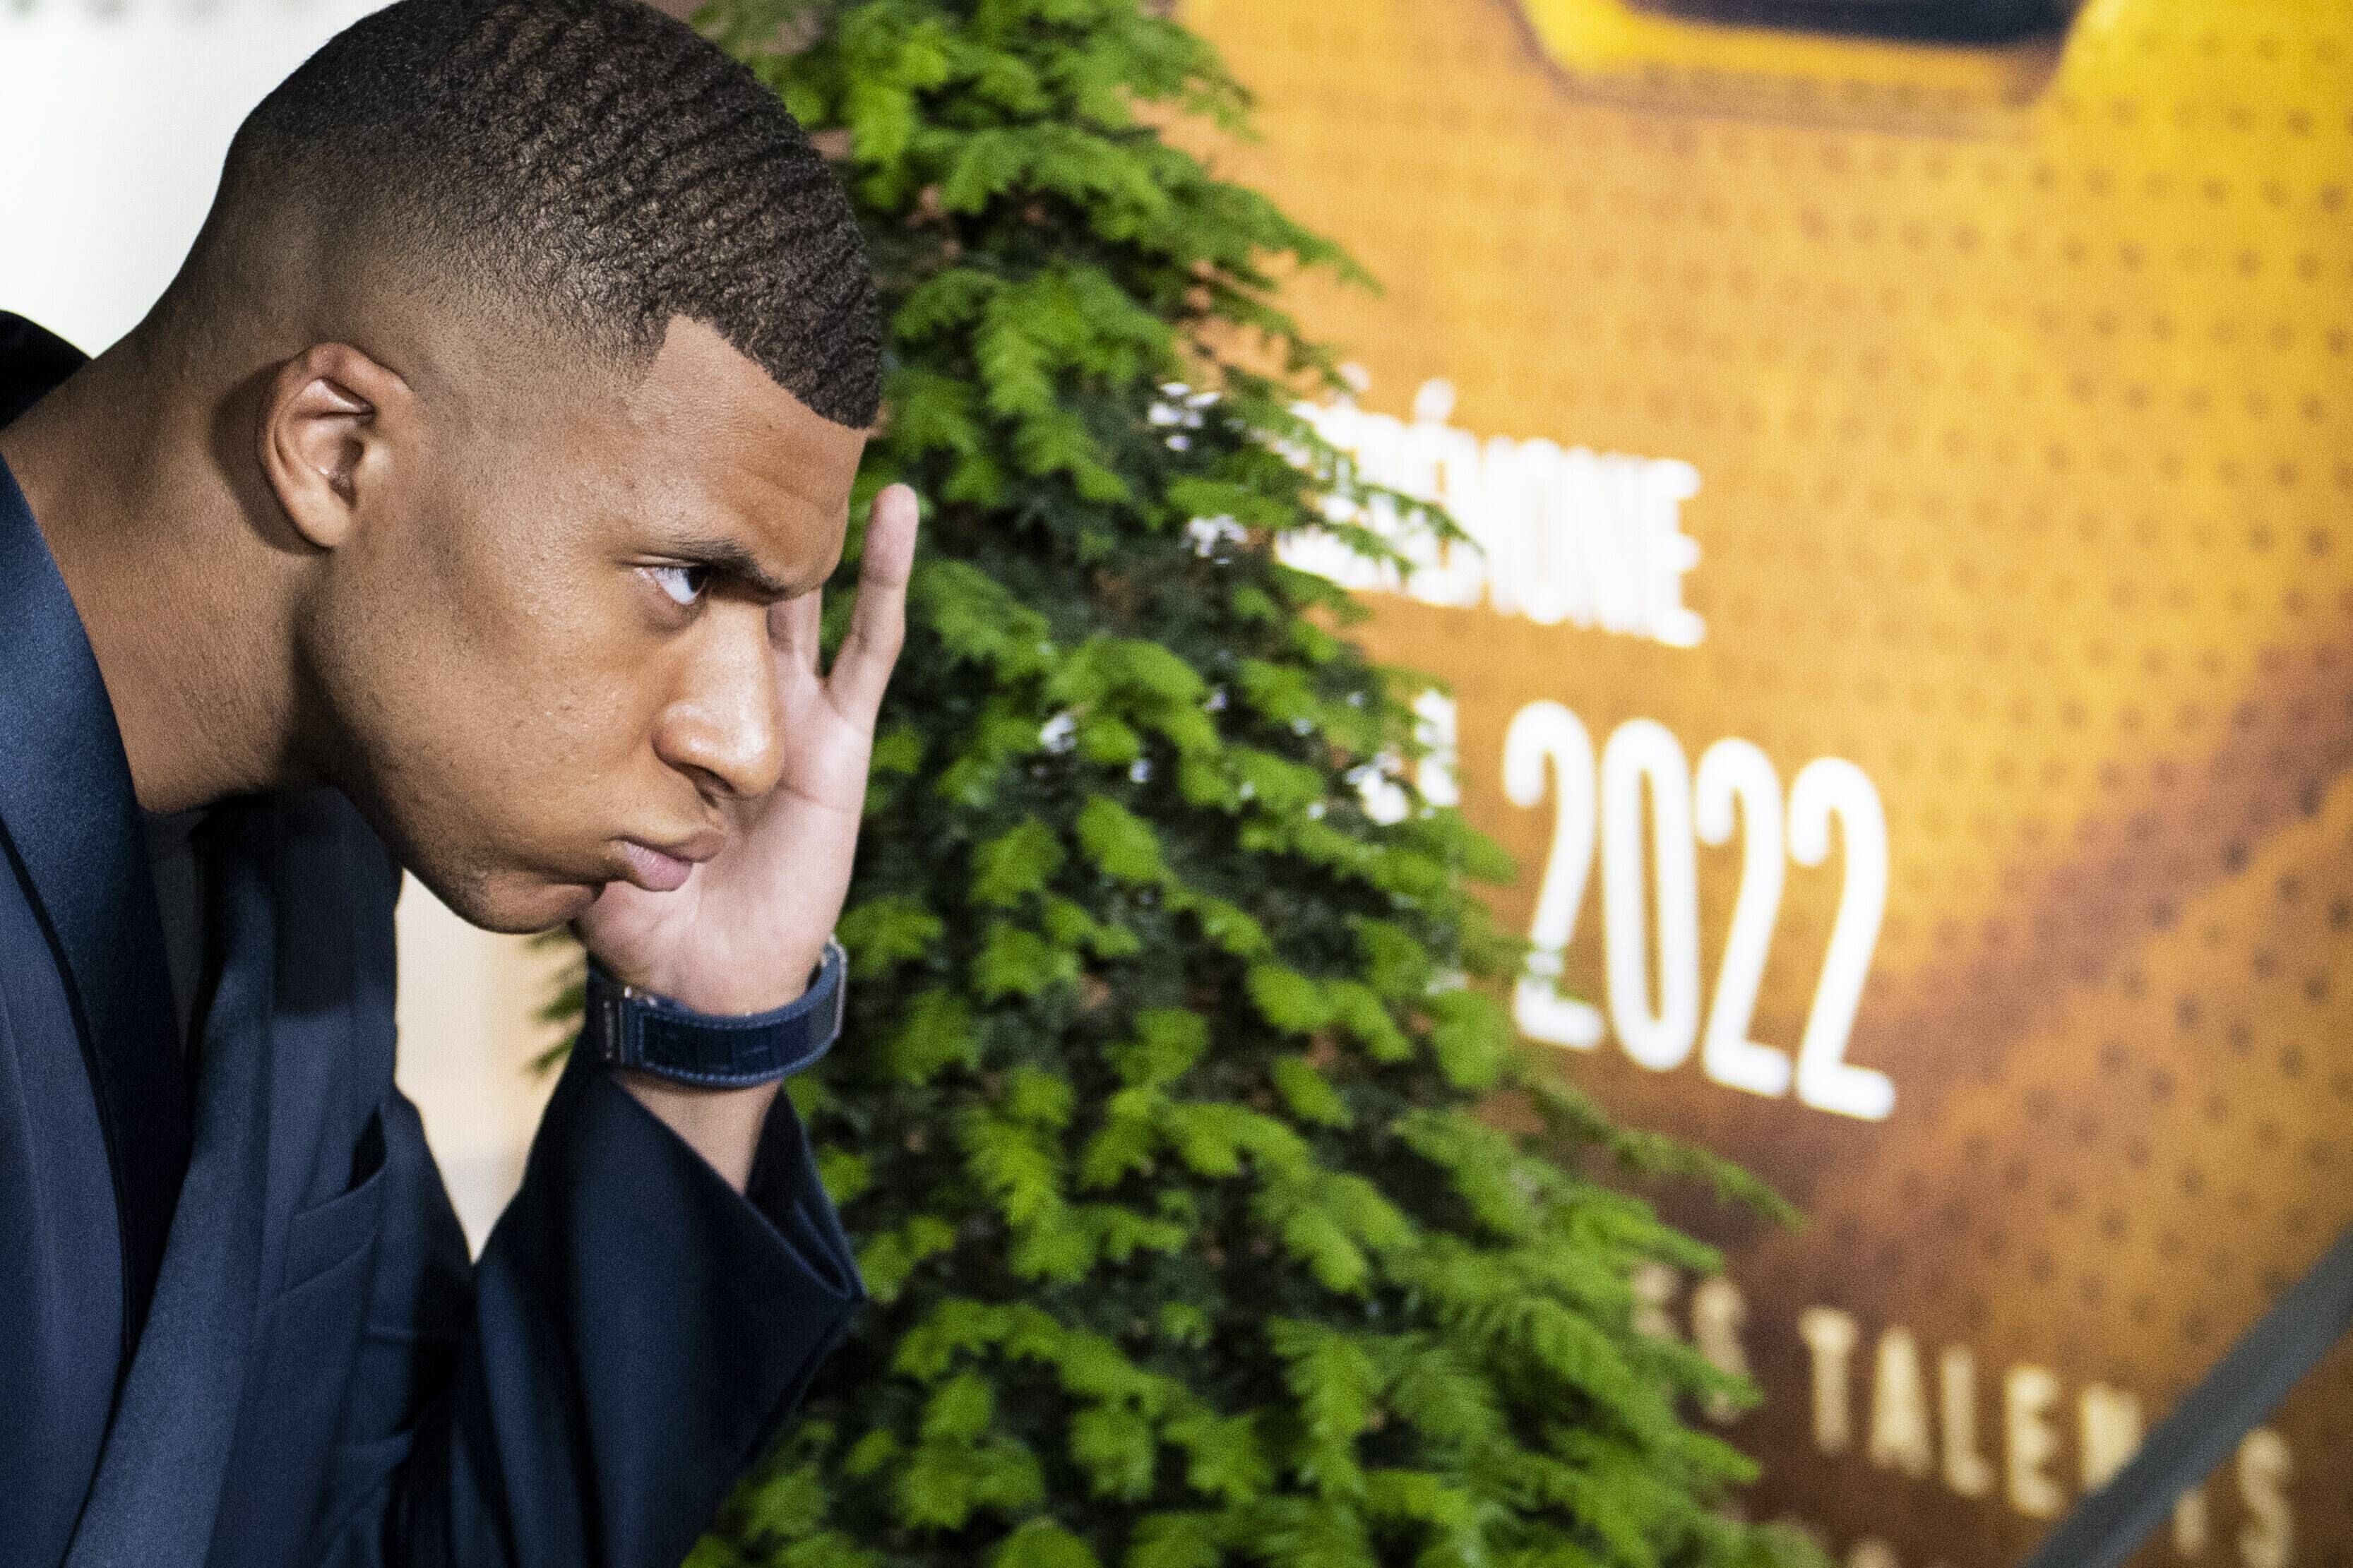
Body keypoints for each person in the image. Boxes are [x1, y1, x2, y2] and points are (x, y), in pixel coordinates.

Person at [0, 0, 919, 1562]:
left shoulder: (315, 864)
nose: (752, 745)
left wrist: (700, 1044)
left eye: (771, 608)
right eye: (688, 576)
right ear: (336, 445)